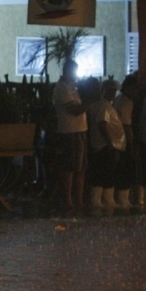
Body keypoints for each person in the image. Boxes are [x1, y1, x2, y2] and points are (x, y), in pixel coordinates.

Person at [52, 60, 90, 215]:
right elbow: (75, 110)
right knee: (70, 167)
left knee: (80, 167)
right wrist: (90, 102)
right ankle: (68, 199)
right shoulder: (62, 89)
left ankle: (78, 199)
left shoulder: (71, 87)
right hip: (70, 132)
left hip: (79, 130)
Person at [88, 79, 126, 212]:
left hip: (109, 144)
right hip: (104, 145)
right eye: (111, 91)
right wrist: (109, 142)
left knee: (108, 172)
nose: (113, 93)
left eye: (114, 91)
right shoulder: (103, 106)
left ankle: (106, 198)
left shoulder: (108, 105)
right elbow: (102, 124)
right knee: (103, 172)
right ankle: (98, 199)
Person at [112, 74, 138, 209]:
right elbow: (126, 125)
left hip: (117, 139)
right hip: (124, 140)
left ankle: (122, 198)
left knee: (122, 168)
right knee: (126, 168)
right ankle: (123, 199)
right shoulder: (126, 102)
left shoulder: (118, 99)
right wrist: (132, 143)